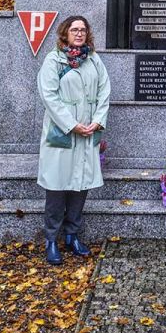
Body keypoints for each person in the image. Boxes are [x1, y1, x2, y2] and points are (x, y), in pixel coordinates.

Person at [37, 15, 110, 265]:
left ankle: (72, 235)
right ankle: (51, 239)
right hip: (63, 131)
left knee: (80, 186)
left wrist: (98, 120)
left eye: (82, 30)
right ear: (65, 33)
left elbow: (104, 90)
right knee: (57, 187)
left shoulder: (93, 59)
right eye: (74, 29)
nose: (79, 33)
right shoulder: (54, 60)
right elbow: (49, 95)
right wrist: (72, 124)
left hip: (88, 130)